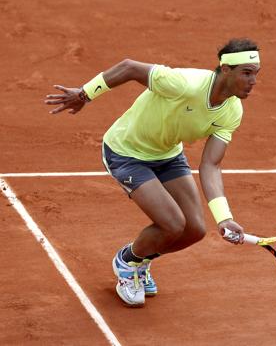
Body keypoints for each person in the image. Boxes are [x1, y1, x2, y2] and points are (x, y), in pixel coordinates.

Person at [44, 38, 261, 307]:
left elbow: (211, 165)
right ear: (225, 69)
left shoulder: (232, 112)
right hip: (126, 152)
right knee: (172, 223)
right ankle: (126, 264)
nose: (253, 81)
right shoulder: (185, 83)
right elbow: (129, 67)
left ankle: (139, 259)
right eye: (247, 73)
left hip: (167, 155)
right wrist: (84, 94)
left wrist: (224, 218)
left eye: (256, 74)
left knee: (194, 230)